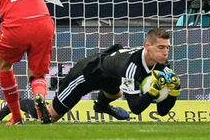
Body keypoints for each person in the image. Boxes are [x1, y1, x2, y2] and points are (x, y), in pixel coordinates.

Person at [11, 28, 180, 123]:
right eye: (161, 48)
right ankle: (14, 104)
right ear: (148, 46)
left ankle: (101, 106)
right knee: (49, 117)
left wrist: (173, 93)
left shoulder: (163, 66)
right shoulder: (131, 68)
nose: (165, 52)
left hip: (111, 76)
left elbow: (162, 111)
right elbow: (135, 108)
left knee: (116, 92)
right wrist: (152, 92)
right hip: (89, 73)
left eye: (167, 48)